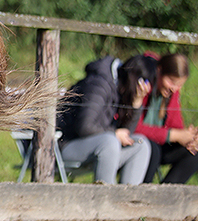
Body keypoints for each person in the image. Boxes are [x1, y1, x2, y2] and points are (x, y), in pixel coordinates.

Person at [57, 55, 152, 184]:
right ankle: (105, 199)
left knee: (141, 145)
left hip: (97, 147)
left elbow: (126, 134)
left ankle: (127, 200)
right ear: (138, 81)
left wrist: (136, 104)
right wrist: (114, 134)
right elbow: (84, 126)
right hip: (66, 145)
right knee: (110, 141)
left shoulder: (119, 86)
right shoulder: (98, 85)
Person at [132, 52, 198, 183]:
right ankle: (142, 196)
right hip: (137, 143)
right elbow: (134, 127)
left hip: (157, 144)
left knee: (193, 153)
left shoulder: (171, 91)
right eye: (172, 82)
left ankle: (166, 198)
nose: (175, 88)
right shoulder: (143, 84)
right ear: (159, 70)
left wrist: (189, 138)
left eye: (179, 85)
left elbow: (176, 125)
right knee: (152, 150)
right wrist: (174, 135)